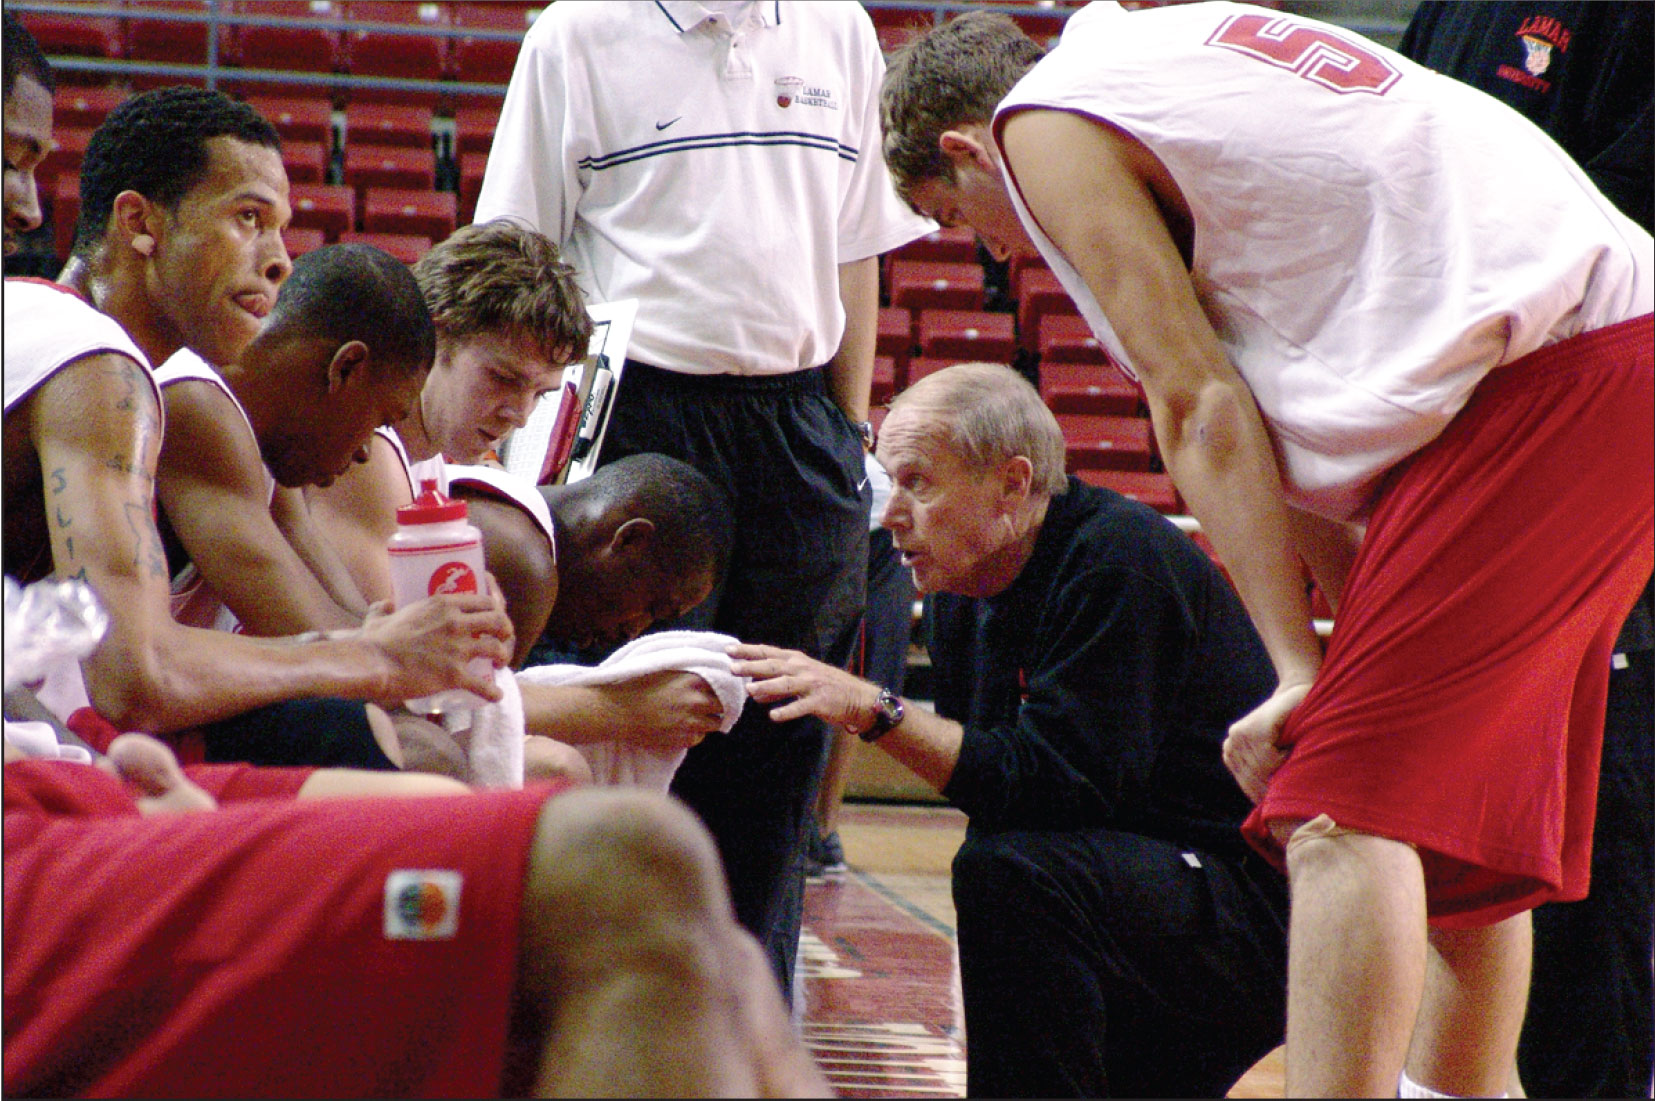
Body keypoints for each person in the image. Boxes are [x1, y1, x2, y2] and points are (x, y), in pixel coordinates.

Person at [876, 7, 1651, 1097]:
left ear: (965, 148)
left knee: (1336, 810)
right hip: (1581, 359)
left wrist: (1298, 676)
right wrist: (1334, 654)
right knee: (1450, 846)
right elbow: (1276, 435)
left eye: (953, 218)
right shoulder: (1159, 62)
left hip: (1558, 368)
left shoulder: (1039, 127)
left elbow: (1196, 403)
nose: (990, 253)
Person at [474, 0, 935, 997]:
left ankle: (740, 1030)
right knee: (603, 734)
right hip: (630, 420)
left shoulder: (839, 28)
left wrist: (841, 432)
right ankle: (574, 1019)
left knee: (776, 756)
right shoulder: (574, 33)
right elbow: (518, 254)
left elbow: (856, 249)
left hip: (798, 426)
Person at [730, 362, 1289, 1096]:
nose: (890, 512)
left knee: (1009, 872)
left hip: (1245, 908)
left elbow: (1061, 786)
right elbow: (1004, 791)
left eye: (916, 482)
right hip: (1132, 883)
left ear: (1012, 483)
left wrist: (875, 709)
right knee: (1002, 859)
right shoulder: (966, 591)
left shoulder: (1119, 557)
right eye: (885, 483)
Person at [3, 82, 512, 751]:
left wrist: (390, 643)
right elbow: (138, 679)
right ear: (140, 224)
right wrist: (378, 655)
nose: (278, 260)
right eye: (249, 218)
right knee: (376, 746)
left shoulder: (42, 320)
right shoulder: (99, 368)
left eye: (279, 228)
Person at [1397, 6, 1653, 1096]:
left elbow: (1616, 229)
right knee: (1480, 820)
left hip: (1589, 421)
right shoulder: (1445, 11)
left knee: (1595, 796)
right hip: (1463, 429)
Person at [309, 218, 593, 631]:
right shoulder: (367, 450)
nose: (520, 414)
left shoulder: (429, 453)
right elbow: (409, 662)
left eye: (539, 393)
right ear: (436, 334)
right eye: (503, 379)